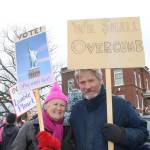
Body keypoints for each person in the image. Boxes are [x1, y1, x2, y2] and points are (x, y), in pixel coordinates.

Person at [70, 69, 148, 150]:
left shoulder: (120, 105)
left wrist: (122, 135)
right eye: (82, 82)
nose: (87, 86)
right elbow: (70, 140)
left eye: (91, 80)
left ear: (100, 80)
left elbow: (143, 133)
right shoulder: (76, 110)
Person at [11, 82, 75, 150]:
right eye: (55, 104)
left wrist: (55, 144)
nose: (59, 108)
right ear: (46, 106)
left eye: (62, 105)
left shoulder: (68, 128)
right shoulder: (30, 127)